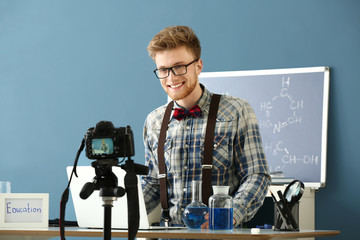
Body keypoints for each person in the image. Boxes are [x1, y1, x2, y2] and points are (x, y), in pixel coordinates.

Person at [141, 25, 270, 228]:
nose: (171, 77)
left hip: (221, 234)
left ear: (198, 66)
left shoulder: (237, 111)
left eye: (179, 66)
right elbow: (153, 182)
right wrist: (118, 208)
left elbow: (256, 175)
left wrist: (231, 214)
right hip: (170, 234)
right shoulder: (154, 121)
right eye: (164, 70)